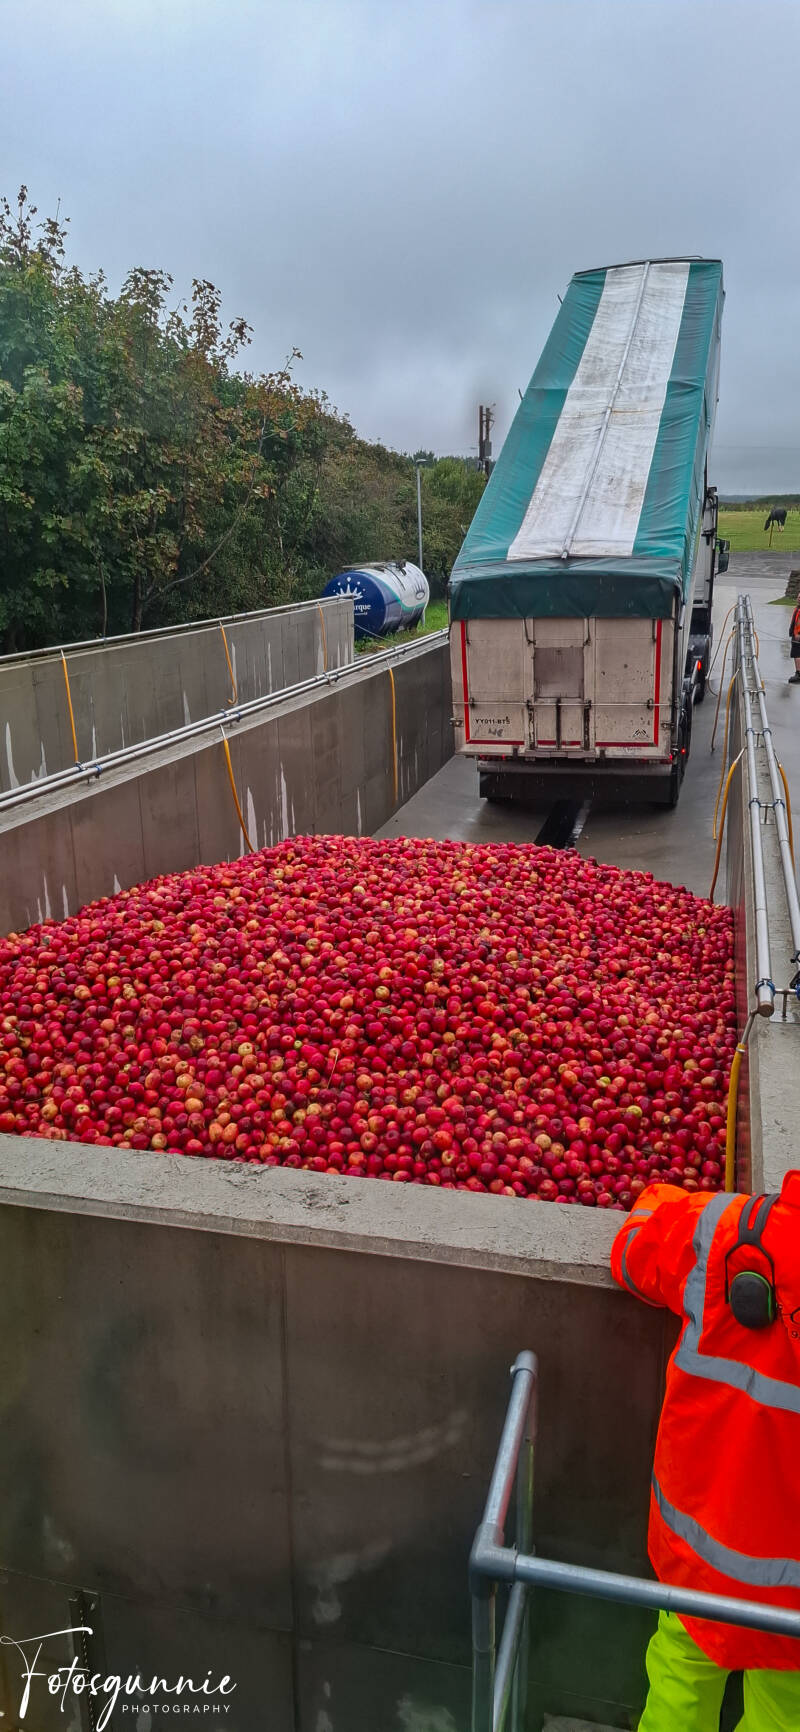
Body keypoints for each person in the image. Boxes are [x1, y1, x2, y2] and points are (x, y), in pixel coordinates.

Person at [611, 1173, 800, 1730]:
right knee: (783, 1715)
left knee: (679, 1685)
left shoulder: (727, 1230)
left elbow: (633, 1251)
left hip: (701, 1560)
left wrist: (663, 1195)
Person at [789, 597, 800, 683]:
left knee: (797, 654)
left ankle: (798, 673)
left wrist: (798, 633)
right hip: (795, 634)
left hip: (798, 636)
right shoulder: (797, 608)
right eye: (798, 597)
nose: (798, 599)